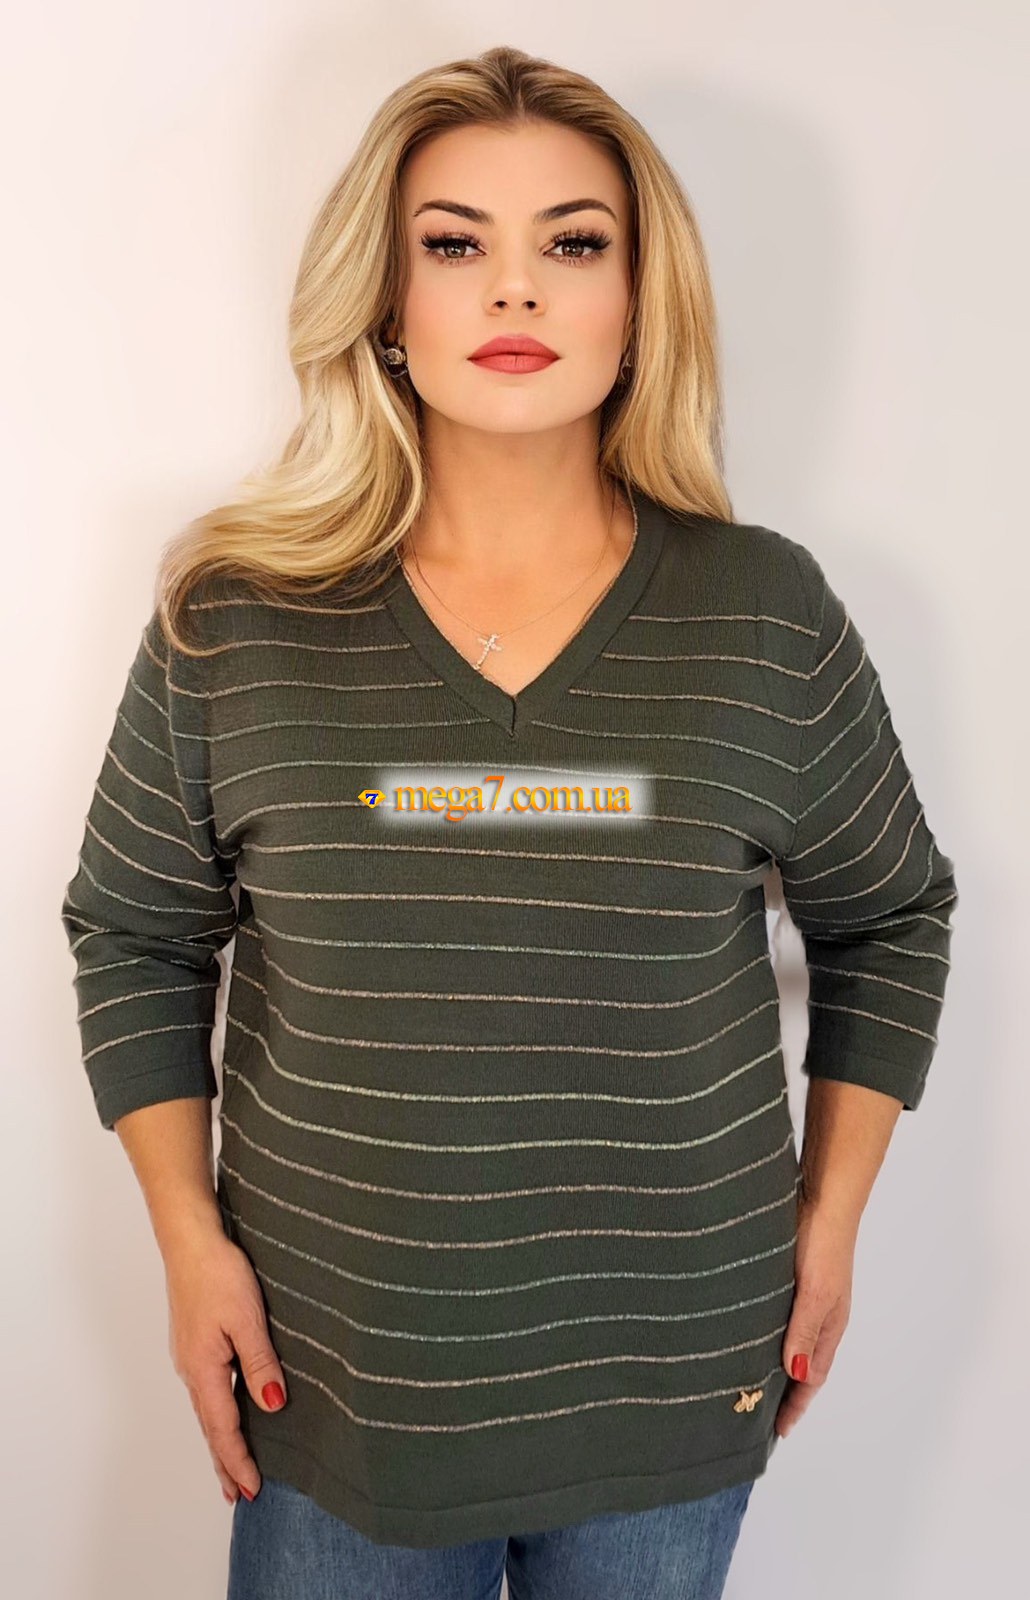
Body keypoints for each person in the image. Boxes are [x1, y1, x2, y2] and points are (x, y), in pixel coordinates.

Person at [59, 43, 958, 1600]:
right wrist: (186, 1242)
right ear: (385, 302)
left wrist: (830, 1220)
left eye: (574, 243)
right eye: (454, 243)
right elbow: (135, 934)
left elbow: (887, 914)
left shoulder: (761, 615)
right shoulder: (238, 620)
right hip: (334, 1387)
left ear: (639, 300)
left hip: (674, 1383)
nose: (515, 290)